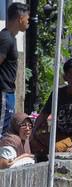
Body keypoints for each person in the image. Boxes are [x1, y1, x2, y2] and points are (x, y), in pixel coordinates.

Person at [33, 59, 72, 155]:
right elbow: (43, 115)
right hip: (59, 135)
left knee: (54, 149)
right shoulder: (57, 94)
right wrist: (32, 133)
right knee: (34, 141)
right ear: (65, 77)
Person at [1, 4, 30, 139]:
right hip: (3, 92)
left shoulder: (11, 38)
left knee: (4, 129)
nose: (28, 21)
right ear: (20, 18)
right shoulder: (6, 38)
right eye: (27, 18)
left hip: (8, 93)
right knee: (1, 131)